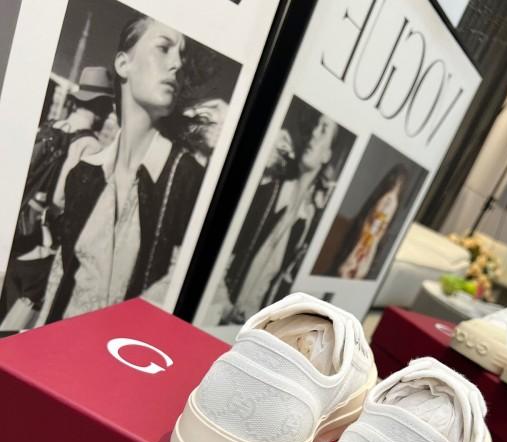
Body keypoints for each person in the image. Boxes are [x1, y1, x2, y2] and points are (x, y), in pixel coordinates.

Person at [40, 14, 204, 323]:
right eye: (164, 48)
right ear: (123, 64)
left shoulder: (188, 179)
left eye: (182, 55)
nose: (177, 64)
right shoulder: (84, 174)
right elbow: (59, 278)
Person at [0, 67, 113, 330]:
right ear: (101, 106)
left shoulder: (50, 127)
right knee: (14, 327)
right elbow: (62, 200)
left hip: (17, 234)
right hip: (41, 248)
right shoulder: (90, 146)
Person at [222, 112, 339, 324]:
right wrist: (223, 305)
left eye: (323, 130)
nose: (314, 133)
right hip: (219, 312)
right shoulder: (269, 190)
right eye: (314, 126)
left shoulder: (308, 223)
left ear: (326, 155)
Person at [336, 165, 407, 281]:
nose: (389, 201)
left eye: (397, 196)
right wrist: (342, 273)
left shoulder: (388, 251)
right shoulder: (344, 228)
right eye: (389, 190)